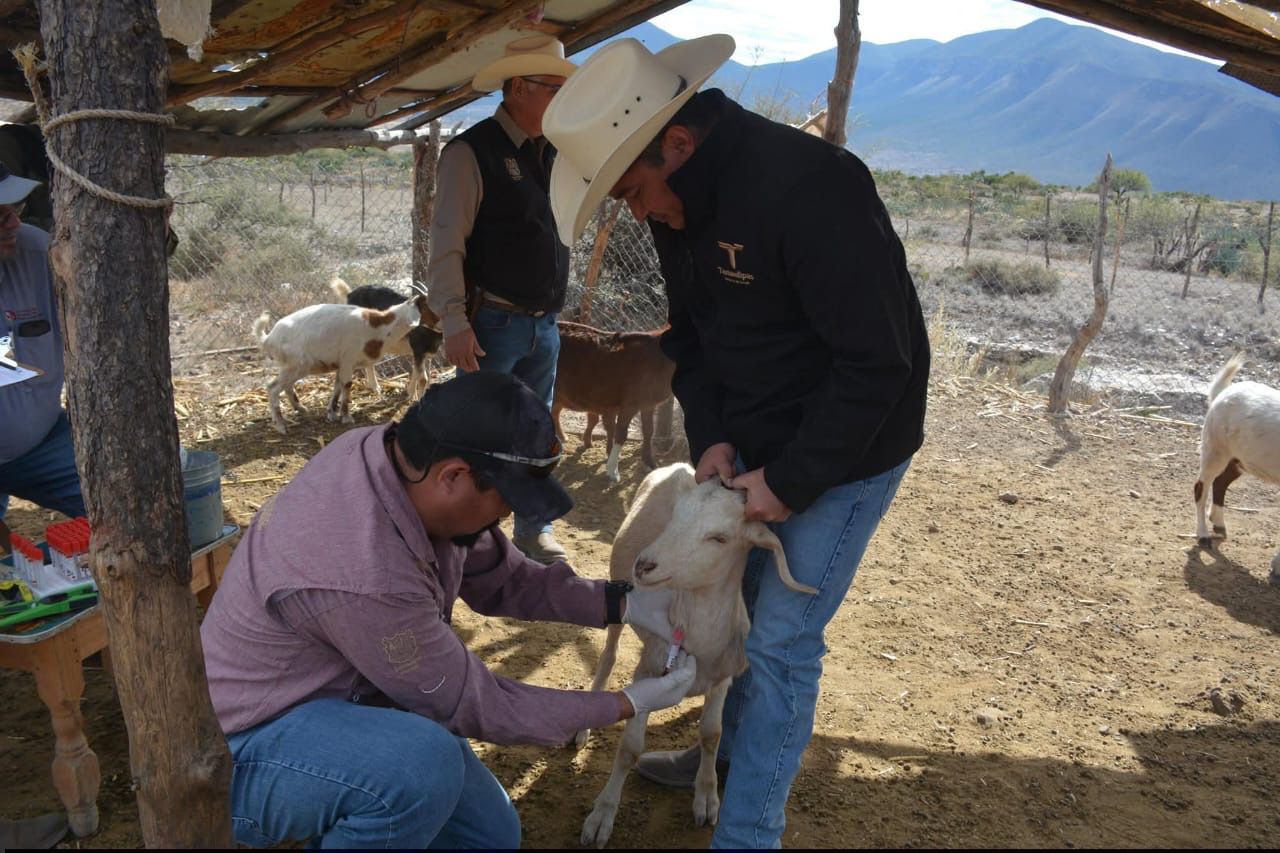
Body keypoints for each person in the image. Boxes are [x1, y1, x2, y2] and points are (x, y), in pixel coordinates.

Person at [543, 35, 931, 848]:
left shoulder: (812, 187)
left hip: (850, 446)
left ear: (679, 145)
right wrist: (715, 437)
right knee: (732, 612)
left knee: (783, 638)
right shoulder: (679, 200)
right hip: (753, 441)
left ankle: (749, 830)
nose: (638, 213)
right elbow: (694, 341)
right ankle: (721, 750)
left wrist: (788, 479)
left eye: (637, 190)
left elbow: (877, 364)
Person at [199, 369, 699, 849]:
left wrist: (619, 602)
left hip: (343, 692)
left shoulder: (395, 460)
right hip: (243, 749)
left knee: (487, 838)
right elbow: (473, 701)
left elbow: (501, 578)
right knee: (422, 769)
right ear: (454, 476)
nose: (506, 517)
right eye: (505, 502)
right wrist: (626, 704)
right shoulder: (367, 574)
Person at [426, 35, 576, 565]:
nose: (563, 98)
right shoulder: (471, 153)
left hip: (543, 322)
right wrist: (452, 321)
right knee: (483, 433)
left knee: (537, 431)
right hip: (490, 322)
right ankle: (467, 535)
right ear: (517, 88)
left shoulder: (554, 150)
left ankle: (533, 530)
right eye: (554, 88)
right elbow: (447, 244)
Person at [0, 162, 84, 553]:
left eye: (13, 209)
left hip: (42, 441)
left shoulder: (36, 252)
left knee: (137, 502)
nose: (13, 222)